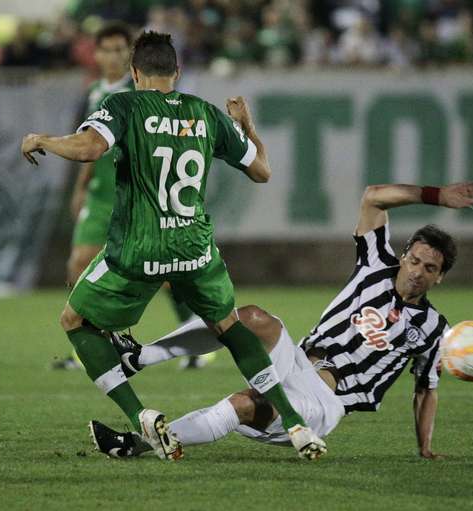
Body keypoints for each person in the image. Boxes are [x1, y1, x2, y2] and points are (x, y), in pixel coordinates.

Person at [21, 31, 325, 461]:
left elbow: (89, 148)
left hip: (140, 250)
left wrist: (43, 140)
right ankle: (295, 423)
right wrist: (249, 128)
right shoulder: (204, 112)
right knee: (230, 326)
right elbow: (261, 172)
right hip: (196, 250)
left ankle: (139, 414)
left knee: (74, 320)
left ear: (134, 72)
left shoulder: (123, 104)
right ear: (176, 72)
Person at [88, 181, 473, 459]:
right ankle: (138, 358)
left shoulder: (433, 328)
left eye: (429, 267)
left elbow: (426, 389)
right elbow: (373, 197)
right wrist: (437, 195)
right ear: (404, 255)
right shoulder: (374, 266)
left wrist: (425, 448)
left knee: (245, 404)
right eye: (415, 260)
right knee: (252, 317)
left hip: (321, 402)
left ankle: (138, 444)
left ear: (440, 277)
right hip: (296, 360)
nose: (418, 271)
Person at [53, 22, 204, 371]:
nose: (113, 56)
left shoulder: (140, 92)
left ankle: (194, 336)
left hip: (136, 194)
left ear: (130, 57)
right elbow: (89, 144)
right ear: (96, 54)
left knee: (165, 274)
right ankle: (89, 346)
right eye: (106, 49)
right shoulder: (93, 92)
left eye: (121, 50)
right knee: (78, 264)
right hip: (101, 194)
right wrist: (80, 188)